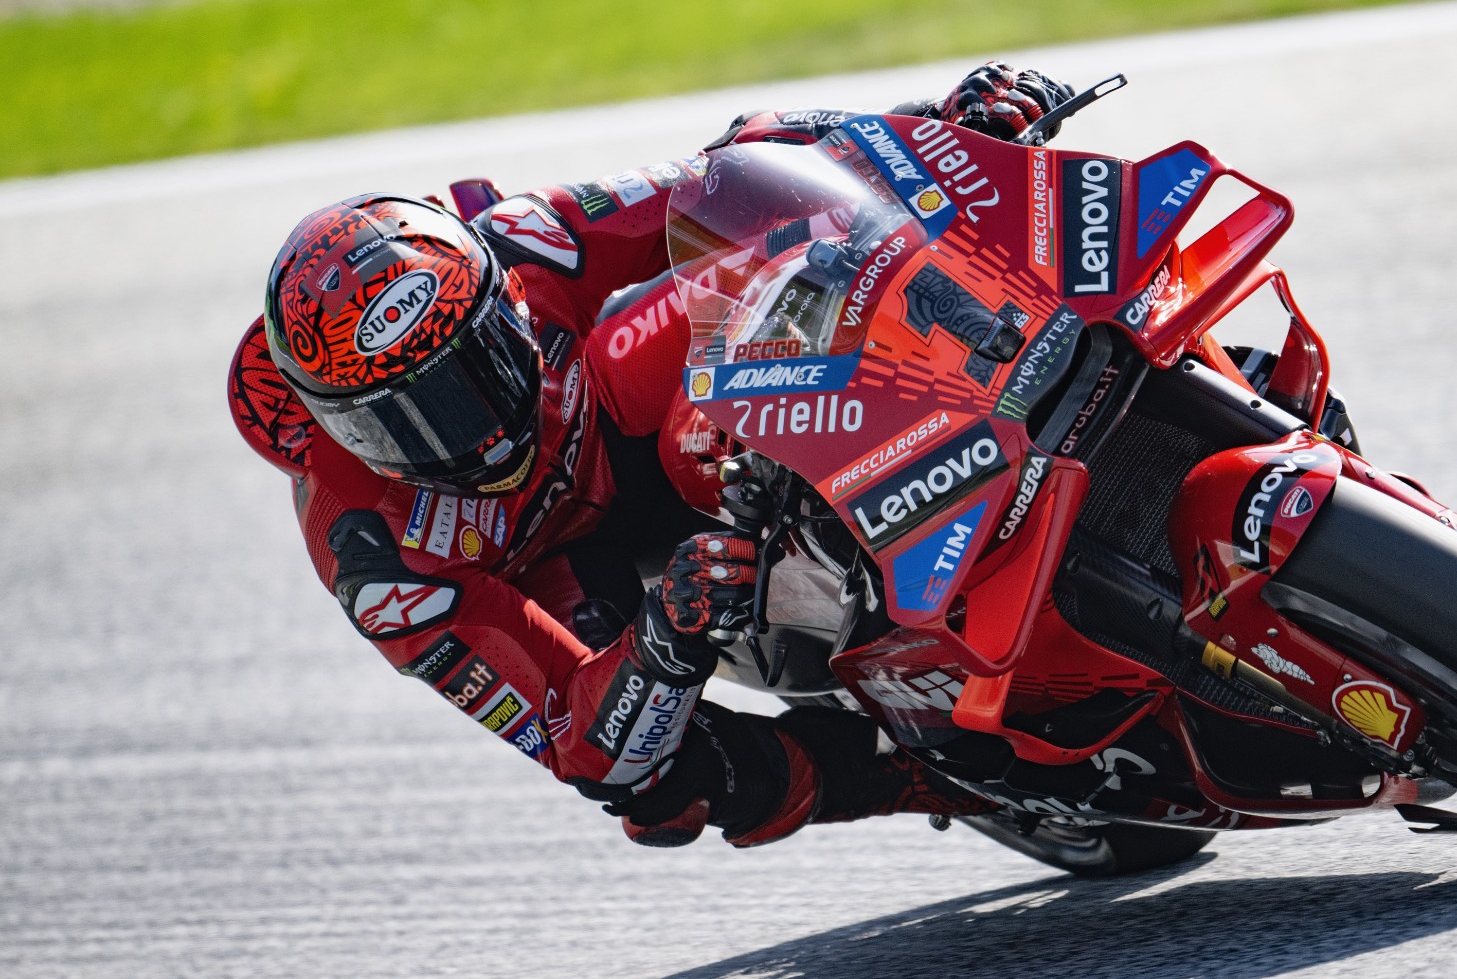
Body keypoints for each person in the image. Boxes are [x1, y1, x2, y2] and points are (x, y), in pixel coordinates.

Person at [227, 64, 1073, 848]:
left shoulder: (521, 239)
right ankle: (924, 777)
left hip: (615, 416)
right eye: (407, 423)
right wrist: (663, 639)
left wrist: (935, 124)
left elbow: (729, 169)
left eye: (479, 368)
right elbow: (572, 736)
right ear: (336, 431)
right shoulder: (373, 558)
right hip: (565, 563)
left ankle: (991, 374)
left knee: (787, 233)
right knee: (656, 791)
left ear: (503, 302)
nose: (474, 432)